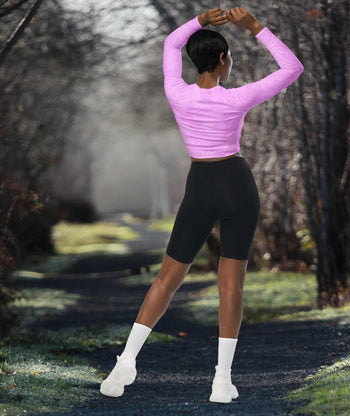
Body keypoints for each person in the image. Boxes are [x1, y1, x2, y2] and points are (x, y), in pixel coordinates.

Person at [100, 6, 303, 403]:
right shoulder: (238, 98)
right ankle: (221, 381)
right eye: (229, 59)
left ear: (196, 62)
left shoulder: (176, 93)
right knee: (231, 286)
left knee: (166, 278)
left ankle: (126, 361)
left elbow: (170, 42)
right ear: (223, 61)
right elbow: (291, 68)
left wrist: (201, 21)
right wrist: (255, 27)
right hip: (236, 185)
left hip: (200, 188)